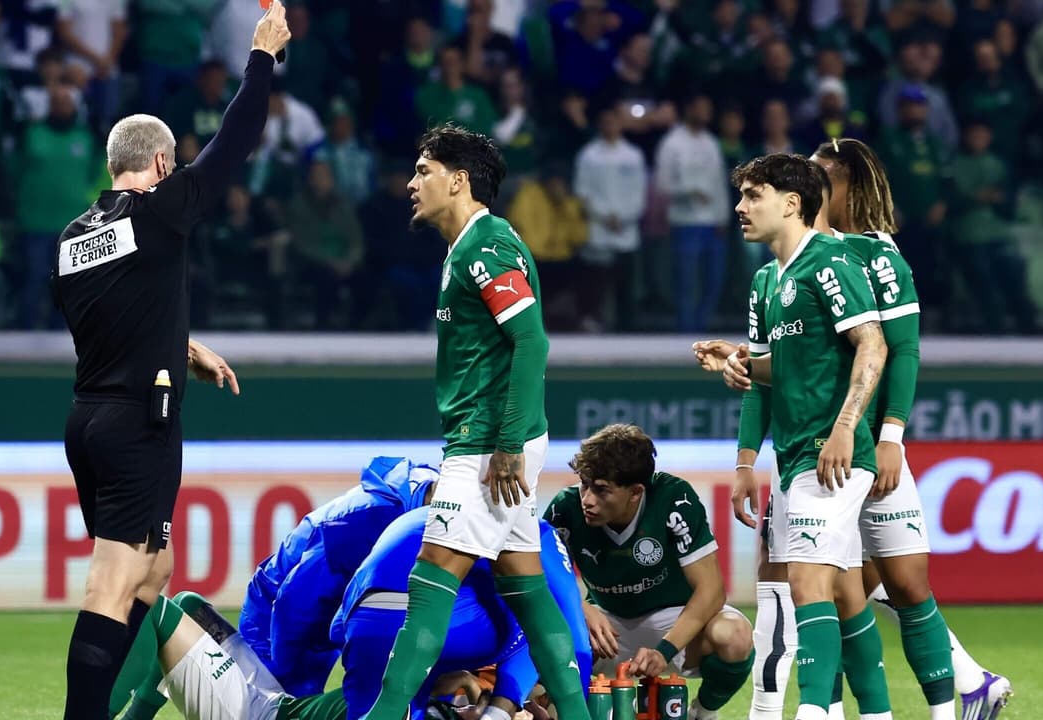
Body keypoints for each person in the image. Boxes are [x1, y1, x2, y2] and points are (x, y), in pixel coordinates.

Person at [698, 138, 1013, 720]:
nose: (813, 187)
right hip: (806, 450)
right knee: (838, 588)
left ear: (842, 189)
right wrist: (745, 430)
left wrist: (890, 434)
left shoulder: (870, 257)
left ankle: (951, 694)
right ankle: (837, 709)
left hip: (858, 443)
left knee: (898, 583)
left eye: (823, 178)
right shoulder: (774, 274)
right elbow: (786, 363)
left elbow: (898, 351)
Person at [49, 6, 290, 718]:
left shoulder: (72, 239)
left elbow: (120, 314)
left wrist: (181, 347)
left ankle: (123, 707)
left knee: (154, 573)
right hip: (136, 428)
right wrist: (261, 58)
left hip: (89, 418)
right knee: (114, 582)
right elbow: (237, 140)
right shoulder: (158, 210)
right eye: (173, 165)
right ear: (158, 165)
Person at [359, 125, 589, 720]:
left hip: (490, 445)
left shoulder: (486, 247)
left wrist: (508, 442)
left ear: (458, 180)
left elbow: (531, 342)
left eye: (423, 171)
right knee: (528, 591)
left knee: (430, 583)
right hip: (495, 440)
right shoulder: (470, 246)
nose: (411, 184)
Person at [114, 506, 589, 720]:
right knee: (170, 606)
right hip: (260, 708)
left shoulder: (403, 681)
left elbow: (446, 680)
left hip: (259, 707)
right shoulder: (412, 687)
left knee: (173, 608)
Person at [723, 153, 888, 720]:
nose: (741, 207)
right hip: (792, 458)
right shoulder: (766, 280)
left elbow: (874, 344)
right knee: (843, 593)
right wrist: (739, 365)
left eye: (752, 195)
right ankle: (878, 713)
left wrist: (846, 429)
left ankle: (812, 711)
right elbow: (773, 372)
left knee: (806, 580)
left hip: (833, 454)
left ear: (792, 203)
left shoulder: (830, 261)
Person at [113, 456, 439, 718]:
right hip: (279, 612)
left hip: (309, 620)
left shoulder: (430, 505)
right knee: (273, 697)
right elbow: (298, 605)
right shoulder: (374, 521)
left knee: (163, 607)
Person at [544, 424, 753, 720]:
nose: (587, 499)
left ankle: (703, 713)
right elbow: (534, 580)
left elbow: (712, 591)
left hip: (675, 626)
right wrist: (579, 607)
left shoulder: (673, 500)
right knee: (534, 633)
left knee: (734, 635)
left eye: (601, 489)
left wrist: (664, 651)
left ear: (635, 492)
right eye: (584, 484)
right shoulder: (565, 508)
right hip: (605, 629)